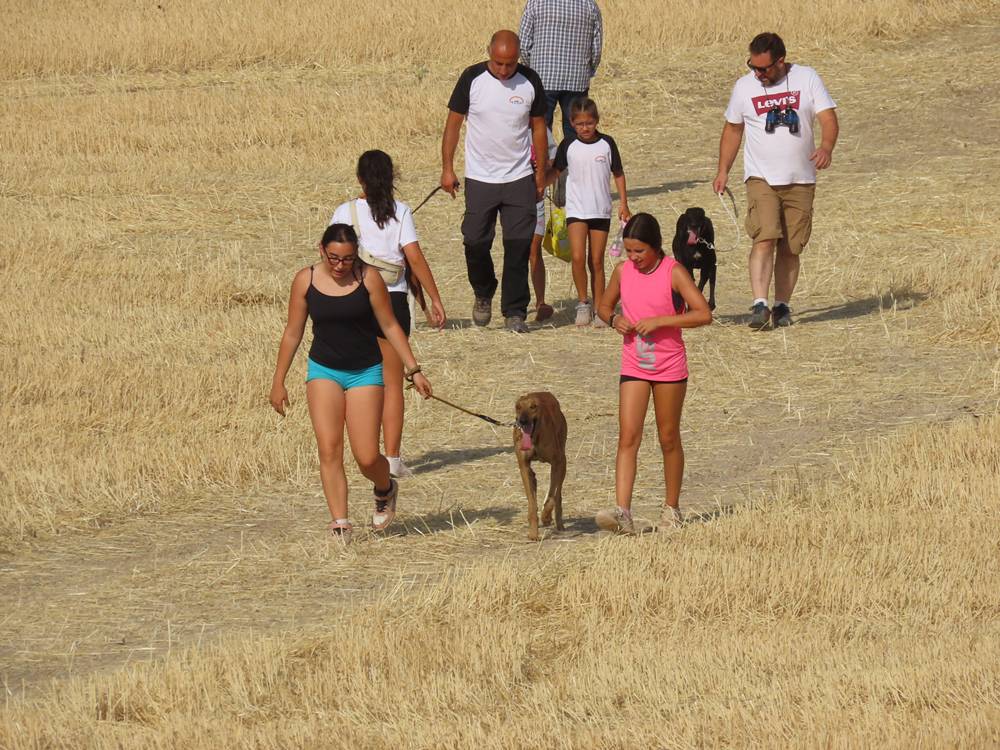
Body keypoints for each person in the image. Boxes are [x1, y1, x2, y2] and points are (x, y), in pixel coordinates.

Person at [269, 224, 432, 544]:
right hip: (323, 371)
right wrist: (279, 381)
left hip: (365, 372)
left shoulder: (369, 278)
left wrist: (414, 370)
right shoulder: (306, 280)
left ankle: (385, 488)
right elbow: (292, 332)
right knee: (329, 448)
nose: (340, 266)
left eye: (347, 259)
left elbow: (389, 325)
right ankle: (340, 522)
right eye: (334, 258)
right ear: (321, 250)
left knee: (367, 456)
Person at [331, 150, 447, 479]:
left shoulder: (344, 211)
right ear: (392, 178)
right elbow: (415, 258)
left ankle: (360, 451)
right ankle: (393, 458)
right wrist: (434, 299)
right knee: (393, 385)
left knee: (356, 381)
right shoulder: (401, 212)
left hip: (352, 301)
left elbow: (330, 256)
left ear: (360, 180)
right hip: (392, 301)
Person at [594, 213, 712, 534]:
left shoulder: (673, 272)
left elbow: (703, 314)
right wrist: (614, 319)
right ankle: (623, 512)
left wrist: (662, 321)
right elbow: (603, 307)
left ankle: (671, 510)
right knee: (628, 435)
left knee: (668, 437)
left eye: (640, 252)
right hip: (634, 364)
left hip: (669, 366)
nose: (633, 258)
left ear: (656, 246)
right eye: (629, 251)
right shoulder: (622, 272)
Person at [712, 32, 839, 328]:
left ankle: (782, 305)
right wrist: (723, 170)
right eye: (753, 67)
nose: (757, 74)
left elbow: (828, 118)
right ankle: (759, 304)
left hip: (801, 179)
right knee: (765, 236)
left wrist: (826, 147)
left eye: (763, 69)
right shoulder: (744, 87)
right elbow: (733, 130)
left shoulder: (807, 78)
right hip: (761, 177)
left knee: (791, 247)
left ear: (780, 61)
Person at [441, 29, 549, 333]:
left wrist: (540, 174)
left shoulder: (530, 81)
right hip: (480, 178)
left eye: (510, 64)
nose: (504, 70)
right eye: (499, 63)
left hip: (519, 178)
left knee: (518, 246)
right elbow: (452, 126)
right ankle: (483, 291)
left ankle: (514, 311)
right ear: (489, 52)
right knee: (475, 241)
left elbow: (539, 128)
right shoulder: (471, 79)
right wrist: (447, 168)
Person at [548, 97, 629, 327]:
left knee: (596, 261)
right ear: (572, 123)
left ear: (597, 121)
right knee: (577, 257)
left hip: (600, 210)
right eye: (580, 123)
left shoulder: (607, 144)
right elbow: (556, 171)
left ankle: (600, 308)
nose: (585, 128)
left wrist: (624, 203)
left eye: (589, 123)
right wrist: (540, 184)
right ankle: (583, 304)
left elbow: (619, 174)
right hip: (576, 209)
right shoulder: (568, 146)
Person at [518, 0, 603, 141]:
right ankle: (573, 162)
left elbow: (524, 45)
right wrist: (588, 71)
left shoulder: (536, 3)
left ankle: (543, 161)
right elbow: (596, 48)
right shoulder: (590, 5)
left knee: (540, 128)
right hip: (577, 79)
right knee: (577, 131)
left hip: (542, 78)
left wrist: (531, 69)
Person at [529, 127, 558, 322]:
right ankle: (518, 301)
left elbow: (554, 158)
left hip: (536, 195)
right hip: (509, 195)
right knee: (517, 249)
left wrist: (542, 172)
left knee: (533, 248)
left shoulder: (540, 128)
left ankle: (540, 302)